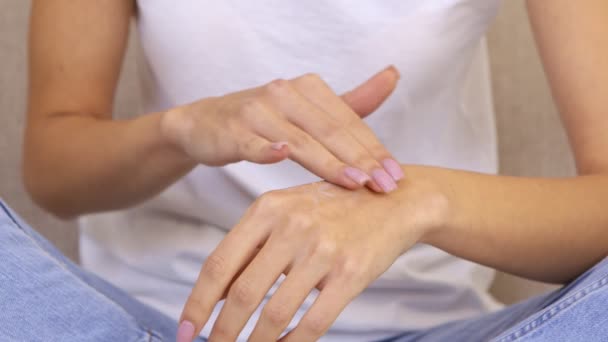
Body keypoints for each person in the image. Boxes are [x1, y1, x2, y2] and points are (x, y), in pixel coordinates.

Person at [13, 0, 608, 341]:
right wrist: (181, 130)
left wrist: (422, 202)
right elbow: (54, 172)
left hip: (427, 328)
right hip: (158, 323)